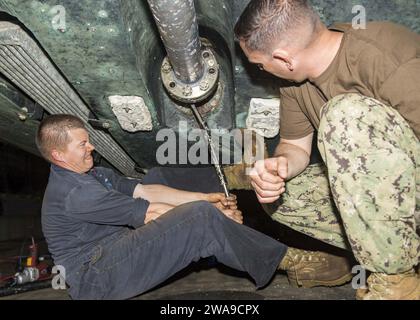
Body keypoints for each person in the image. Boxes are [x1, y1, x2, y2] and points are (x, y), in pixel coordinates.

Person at [36, 114, 341, 300]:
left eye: (88, 141)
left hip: (115, 249)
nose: (91, 148)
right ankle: (292, 263)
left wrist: (207, 197)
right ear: (58, 155)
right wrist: (217, 215)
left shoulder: (94, 173)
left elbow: (147, 190)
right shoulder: (76, 193)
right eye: (82, 145)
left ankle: (236, 176)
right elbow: (152, 213)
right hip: (97, 278)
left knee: (160, 174)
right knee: (200, 221)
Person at [234, 0, 420, 300]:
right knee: (285, 194)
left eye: (259, 63)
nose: (260, 70)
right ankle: (390, 257)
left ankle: (396, 281)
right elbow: (294, 146)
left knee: (344, 116)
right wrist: (278, 167)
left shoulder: (384, 55)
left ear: (283, 58)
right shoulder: (295, 84)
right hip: (399, 196)